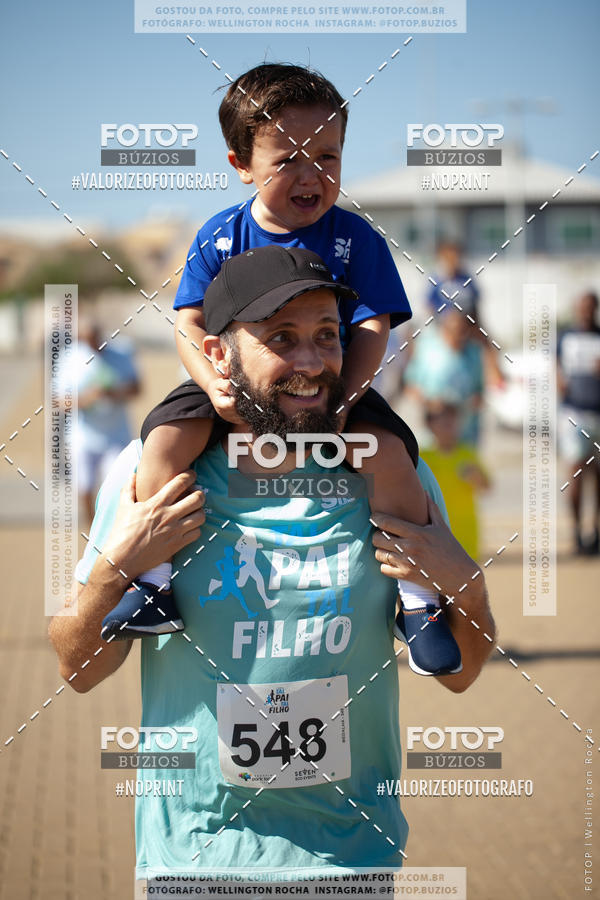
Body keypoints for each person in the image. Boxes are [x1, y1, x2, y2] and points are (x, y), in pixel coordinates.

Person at [48, 247, 495, 882]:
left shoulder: (392, 475)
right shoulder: (153, 477)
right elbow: (77, 668)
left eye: (325, 336)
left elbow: (462, 672)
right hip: (197, 860)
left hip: (351, 857)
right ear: (219, 355)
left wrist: (469, 589)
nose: (311, 363)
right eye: (280, 338)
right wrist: (115, 571)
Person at [101, 62, 459, 677]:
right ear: (242, 162)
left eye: (328, 156)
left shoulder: (355, 239)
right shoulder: (220, 235)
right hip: (233, 382)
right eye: (288, 157)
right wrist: (213, 384)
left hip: (329, 385)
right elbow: (188, 323)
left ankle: (420, 602)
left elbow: (372, 325)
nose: (311, 174)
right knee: (162, 442)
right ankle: (154, 584)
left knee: (393, 457)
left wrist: (347, 394)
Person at [60, 316, 141, 523]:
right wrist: (87, 398)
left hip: (116, 435)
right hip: (83, 436)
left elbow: (137, 388)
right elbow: (59, 400)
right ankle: (92, 527)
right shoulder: (70, 358)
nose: (93, 344)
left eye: (95, 338)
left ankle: (112, 528)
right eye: (87, 339)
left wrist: (114, 393)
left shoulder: (121, 352)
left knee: (118, 487)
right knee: (84, 486)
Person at [403, 307, 484, 447]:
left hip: (465, 439)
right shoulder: (427, 350)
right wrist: (432, 405)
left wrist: (464, 407)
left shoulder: (474, 352)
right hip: (432, 439)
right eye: (455, 331)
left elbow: (480, 394)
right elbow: (410, 387)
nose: (459, 336)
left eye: (463, 331)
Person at [420, 399, 491, 560]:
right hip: (434, 532)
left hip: (465, 532)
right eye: (444, 423)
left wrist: (476, 477)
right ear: (430, 425)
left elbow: (487, 486)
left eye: (453, 422)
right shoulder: (422, 457)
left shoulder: (467, 453)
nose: (449, 427)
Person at [557, 290, 600, 554]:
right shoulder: (566, 337)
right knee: (575, 472)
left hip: (598, 411)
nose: (585, 311)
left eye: (589, 306)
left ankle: (594, 529)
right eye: (581, 306)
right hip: (574, 412)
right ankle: (575, 530)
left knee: (597, 474)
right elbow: (556, 367)